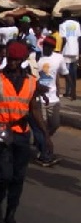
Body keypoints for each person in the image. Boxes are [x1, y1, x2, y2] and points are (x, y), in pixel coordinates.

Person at [0, 41, 52, 223]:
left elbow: (34, 109)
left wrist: (45, 135)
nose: (12, 63)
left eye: (15, 60)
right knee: (4, 175)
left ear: (21, 60)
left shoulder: (31, 82)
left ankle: (11, 214)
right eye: (10, 59)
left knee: (18, 177)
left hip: (22, 132)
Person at [32, 36, 69, 166]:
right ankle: (44, 154)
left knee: (55, 124)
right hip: (39, 98)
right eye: (45, 45)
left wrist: (66, 91)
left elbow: (63, 73)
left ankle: (42, 142)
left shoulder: (58, 58)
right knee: (42, 126)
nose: (47, 47)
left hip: (53, 98)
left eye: (49, 46)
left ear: (53, 48)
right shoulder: (36, 58)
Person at [59, 10, 80, 99]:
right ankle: (73, 91)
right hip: (75, 50)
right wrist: (79, 51)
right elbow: (79, 38)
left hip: (66, 50)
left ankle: (67, 92)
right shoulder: (77, 24)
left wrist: (60, 50)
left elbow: (63, 40)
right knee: (73, 72)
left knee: (66, 72)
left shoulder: (62, 25)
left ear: (63, 16)